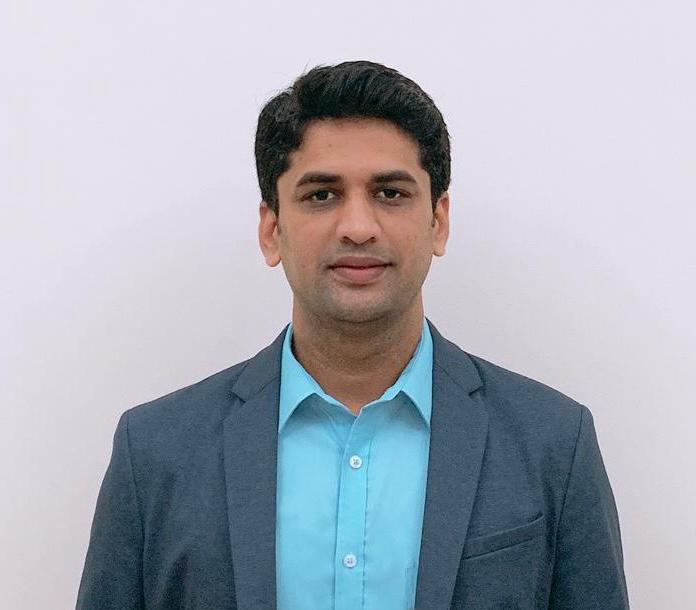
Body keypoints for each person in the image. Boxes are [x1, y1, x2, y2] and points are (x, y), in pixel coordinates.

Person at [76, 60, 630, 610]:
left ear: (438, 222)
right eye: (322, 195)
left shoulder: (554, 443)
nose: (359, 227)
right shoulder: (155, 453)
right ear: (271, 229)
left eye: (390, 193)